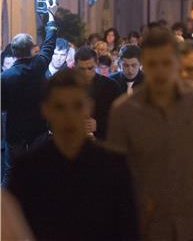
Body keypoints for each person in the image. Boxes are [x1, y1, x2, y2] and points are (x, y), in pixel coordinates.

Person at [107, 28, 193, 241]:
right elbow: (115, 178)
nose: (160, 72)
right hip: (149, 227)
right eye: (152, 64)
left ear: (177, 63)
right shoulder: (124, 111)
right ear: (144, 65)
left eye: (166, 63)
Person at [8, 68, 139, 240]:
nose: (69, 116)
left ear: (89, 107)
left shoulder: (115, 166)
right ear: (46, 110)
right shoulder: (26, 170)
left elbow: (128, 230)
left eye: (77, 106)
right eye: (60, 107)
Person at [1, 0, 58, 186]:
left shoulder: (5, 77)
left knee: (11, 174)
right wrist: (51, 16)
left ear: (14, 52)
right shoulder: (39, 64)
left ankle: (5, 210)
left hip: (15, 134)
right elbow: (50, 42)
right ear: (33, 49)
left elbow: (2, 106)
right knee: (40, 174)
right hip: (38, 131)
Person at [75, 47, 122, 140]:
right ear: (75, 66)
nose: (86, 73)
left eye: (90, 68)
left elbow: (120, 117)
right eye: (81, 69)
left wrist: (99, 124)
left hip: (103, 142)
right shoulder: (65, 88)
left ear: (96, 64)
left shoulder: (111, 86)